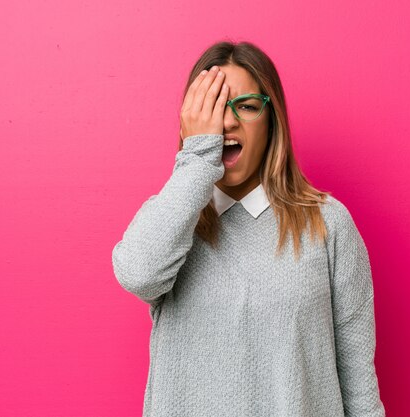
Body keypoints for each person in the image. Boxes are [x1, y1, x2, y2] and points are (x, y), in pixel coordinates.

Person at [112, 40, 386, 417]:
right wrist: (196, 158)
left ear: (272, 121)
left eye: (246, 106)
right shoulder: (171, 222)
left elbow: (358, 383)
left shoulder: (329, 224)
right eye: (211, 109)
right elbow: (138, 273)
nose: (226, 122)